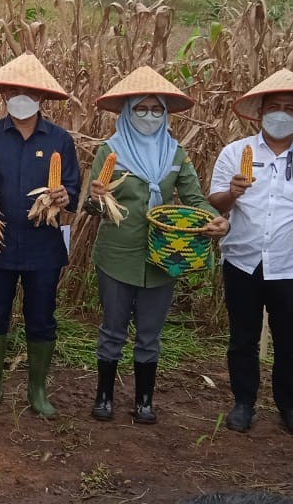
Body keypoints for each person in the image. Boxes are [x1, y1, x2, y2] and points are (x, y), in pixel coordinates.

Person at [82, 66, 227, 424]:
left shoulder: (175, 154)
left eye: (156, 109)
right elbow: (91, 204)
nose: (149, 116)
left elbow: (195, 198)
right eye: (141, 109)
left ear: (165, 113)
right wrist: (98, 198)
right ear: (128, 112)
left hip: (165, 252)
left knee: (150, 332)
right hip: (117, 252)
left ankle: (145, 401)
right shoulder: (110, 151)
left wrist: (215, 219)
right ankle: (104, 397)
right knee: (112, 328)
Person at [208, 69, 293, 436]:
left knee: (291, 341)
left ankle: (290, 406)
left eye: (289, 109)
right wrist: (232, 193)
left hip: (292, 264)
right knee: (243, 337)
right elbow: (215, 201)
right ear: (260, 112)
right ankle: (243, 402)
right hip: (242, 258)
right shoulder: (235, 152)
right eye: (274, 107)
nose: (281, 114)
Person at [0, 53, 79, 415]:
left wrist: (63, 195)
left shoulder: (59, 140)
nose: (19, 95)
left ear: (41, 97)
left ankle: (37, 391)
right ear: (3, 95)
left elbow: (72, 187)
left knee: (41, 316)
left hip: (43, 245)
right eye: (13, 89)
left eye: (27, 91)